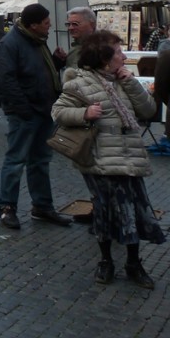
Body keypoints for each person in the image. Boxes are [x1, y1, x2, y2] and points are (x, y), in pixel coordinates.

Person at [52, 30, 165, 287]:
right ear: (105, 59)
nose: (124, 57)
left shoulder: (124, 80)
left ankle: (134, 264)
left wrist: (131, 83)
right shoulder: (78, 82)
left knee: (136, 210)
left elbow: (148, 110)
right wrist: (83, 113)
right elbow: (58, 111)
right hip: (99, 159)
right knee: (107, 211)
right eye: (118, 53)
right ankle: (106, 262)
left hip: (130, 155)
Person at [0, 3, 72, 230]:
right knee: (16, 160)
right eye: (46, 24)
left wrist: (56, 62)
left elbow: (35, 72)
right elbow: (6, 81)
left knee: (40, 161)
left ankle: (42, 206)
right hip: (26, 113)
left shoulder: (36, 40)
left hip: (42, 109)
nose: (50, 27)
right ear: (34, 25)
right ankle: (7, 207)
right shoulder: (10, 44)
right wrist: (24, 111)